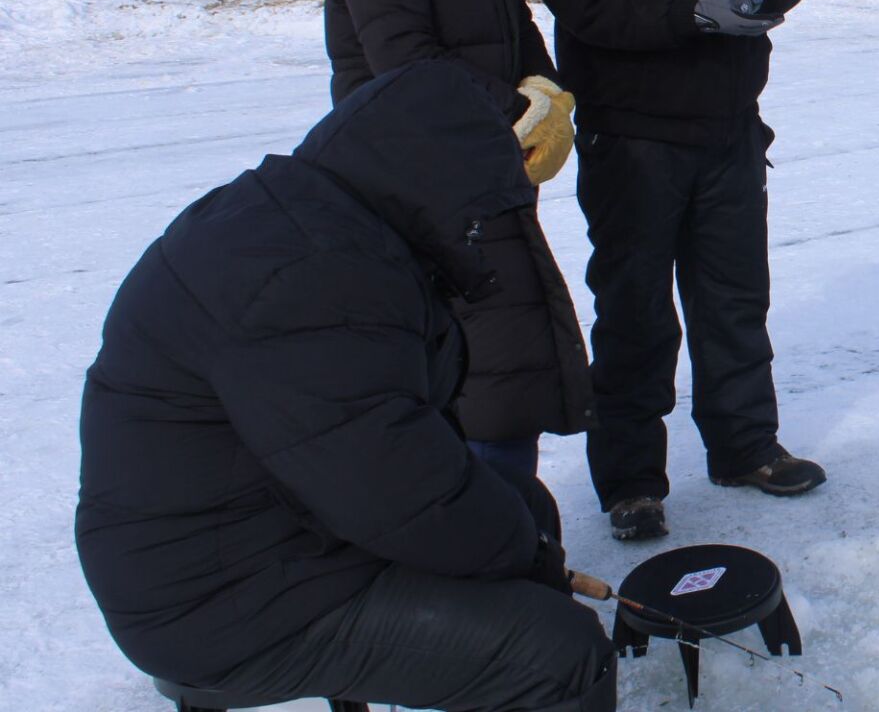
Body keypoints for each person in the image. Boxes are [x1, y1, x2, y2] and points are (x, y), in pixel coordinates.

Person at [76, 62, 617, 712]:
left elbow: (387, 448)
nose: (473, 233)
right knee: (559, 652)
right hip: (218, 600)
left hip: (265, 530)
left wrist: (520, 544)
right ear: (431, 185)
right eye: (472, 217)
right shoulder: (315, 279)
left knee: (519, 506)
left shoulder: (312, 218)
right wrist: (528, 563)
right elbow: (396, 494)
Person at [529, 0, 824, 543]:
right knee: (635, 315)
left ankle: (745, 447)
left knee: (734, 299)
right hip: (634, 139)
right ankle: (631, 482)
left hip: (729, 127)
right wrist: (689, 13)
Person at [322, 0, 593, 483]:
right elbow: (406, 65)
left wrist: (551, 96)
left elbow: (515, 29)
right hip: (423, 200)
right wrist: (517, 113)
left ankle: (517, 547)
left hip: (482, 184)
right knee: (477, 385)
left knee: (509, 377)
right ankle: (493, 562)